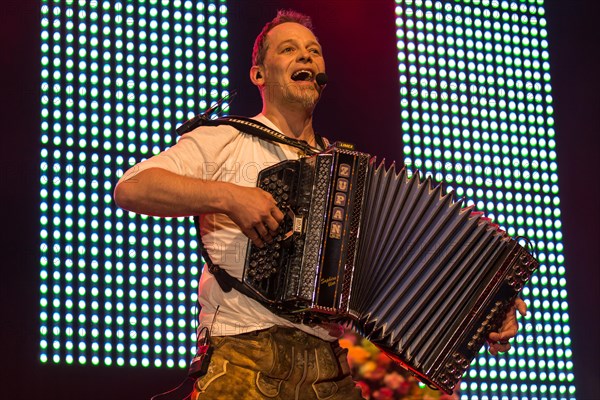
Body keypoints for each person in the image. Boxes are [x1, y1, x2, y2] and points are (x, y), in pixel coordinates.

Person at [114, 10, 526, 400]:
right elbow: (132, 188)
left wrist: (483, 311)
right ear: (259, 73)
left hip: (328, 372)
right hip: (244, 358)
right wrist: (229, 196)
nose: (306, 54)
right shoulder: (227, 139)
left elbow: (405, 274)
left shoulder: (346, 175)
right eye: (288, 49)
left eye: (313, 49)